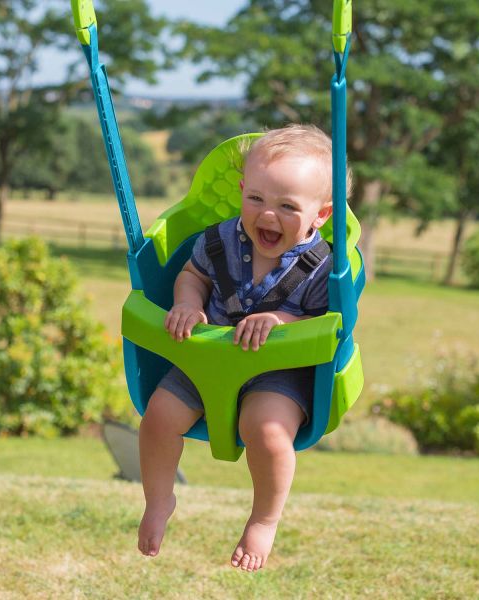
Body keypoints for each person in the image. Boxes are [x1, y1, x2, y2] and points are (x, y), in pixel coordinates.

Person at [137, 124, 350, 572]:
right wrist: (187, 305)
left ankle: (264, 519)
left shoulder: (323, 267)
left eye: (287, 206)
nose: (267, 215)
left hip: (278, 374)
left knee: (269, 434)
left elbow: (326, 323)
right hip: (206, 360)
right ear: (241, 191)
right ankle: (158, 499)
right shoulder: (218, 242)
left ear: (322, 214)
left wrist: (280, 322)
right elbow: (192, 276)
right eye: (256, 199)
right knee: (157, 417)